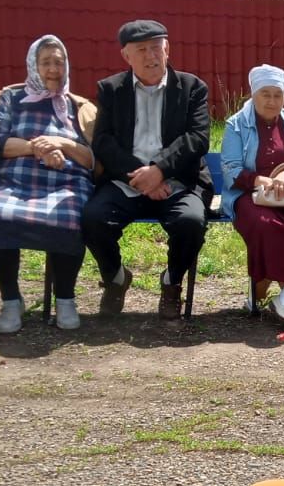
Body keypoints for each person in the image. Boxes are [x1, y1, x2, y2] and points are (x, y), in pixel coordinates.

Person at [83, 20, 211, 321]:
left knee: (191, 222)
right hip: (127, 180)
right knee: (91, 219)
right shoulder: (111, 90)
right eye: (142, 50)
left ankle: (171, 283)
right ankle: (115, 278)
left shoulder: (192, 88)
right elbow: (103, 141)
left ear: (167, 50)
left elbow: (197, 138)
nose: (151, 56)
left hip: (177, 179)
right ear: (126, 56)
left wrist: (160, 170)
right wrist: (142, 175)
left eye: (157, 48)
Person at [0, 35, 98, 333]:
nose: (53, 69)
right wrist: (39, 148)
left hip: (66, 183)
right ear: (33, 66)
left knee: (71, 217)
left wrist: (62, 142)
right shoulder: (11, 98)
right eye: (45, 62)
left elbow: (91, 159)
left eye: (58, 62)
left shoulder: (79, 107)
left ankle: (65, 298)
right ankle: (11, 300)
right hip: (17, 178)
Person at [218, 64, 284, 323]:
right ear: (253, 94)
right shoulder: (236, 125)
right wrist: (262, 180)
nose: (272, 101)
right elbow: (230, 168)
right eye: (266, 94)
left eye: (278, 94)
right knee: (265, 225)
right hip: (252, 194)